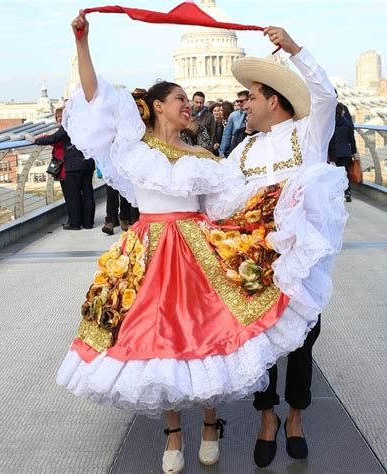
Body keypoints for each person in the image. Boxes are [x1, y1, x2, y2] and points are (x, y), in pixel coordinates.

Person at [57, 12, 314, 474]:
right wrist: (82, 42)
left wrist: (292, 203)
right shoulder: (133, 147)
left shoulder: (208, 157)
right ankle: (174, 431)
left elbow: (240, 199)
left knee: (207, 333)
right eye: (179, 99)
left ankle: (211, 424)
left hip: (197, 249)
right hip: (149, 252)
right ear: (157, 106)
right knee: (159, 340)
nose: (188, 106)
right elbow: (94, 95)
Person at [205, 26, 347, 467]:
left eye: (250, 95)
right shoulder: (243, 151)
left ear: (273, 100)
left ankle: (296, 417)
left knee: (304, 337)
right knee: (258, 339)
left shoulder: (308, 134)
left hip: (297, 259)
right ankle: (266, 416)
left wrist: (295, 49)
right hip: (253, 261)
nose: (242, 104)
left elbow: (325, 94)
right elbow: (216, 193)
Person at [26, 108, 96, 230]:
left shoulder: (69, 123)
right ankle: (88, 222)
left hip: (73, 164)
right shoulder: (87, 122)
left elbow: (55, 138)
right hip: (88, 162)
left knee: (73, 195)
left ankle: (74, 223)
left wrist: (35, 140)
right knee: (87, 193)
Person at [328, 103, 358, 202]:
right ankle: (347, 192)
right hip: (345, 152)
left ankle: (336, 193)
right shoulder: (348, 124)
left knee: (333, 174)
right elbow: (352, 139)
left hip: (334, 153)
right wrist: (354, 151)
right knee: (345, 173)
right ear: (342, 112)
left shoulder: (330, 125)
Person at [218, 90, 249, 158]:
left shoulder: (255, 114)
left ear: (248, 100)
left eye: (241, 101)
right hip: (235, 149)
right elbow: (227, 135)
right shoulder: (233, 115)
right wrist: (222, 151)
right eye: (237, 101)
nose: (238, 103)